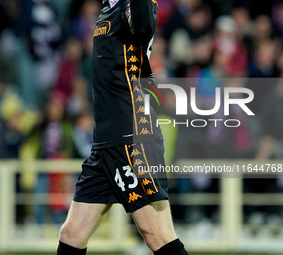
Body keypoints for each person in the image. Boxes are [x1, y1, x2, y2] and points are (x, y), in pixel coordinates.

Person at [56, 1, 190, 255]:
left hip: (132, 137)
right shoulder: (108, 6)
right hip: (105, 143)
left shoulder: (136, 4)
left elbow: (142, 29)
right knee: (71, 233)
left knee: (157, 235)